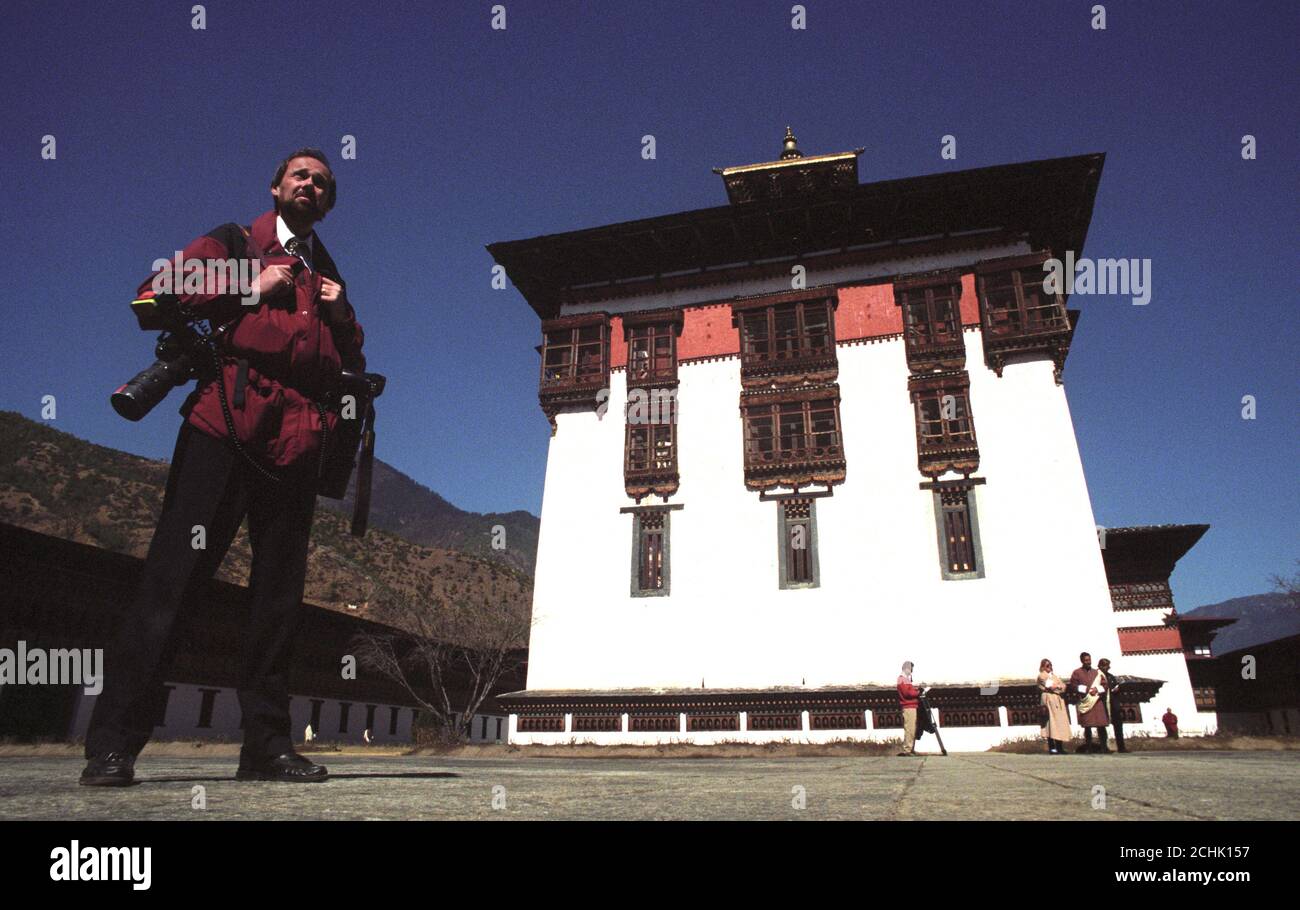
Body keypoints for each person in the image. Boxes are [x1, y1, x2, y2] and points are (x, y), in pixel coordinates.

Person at [80, 148, 365, 786]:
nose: (311, 185)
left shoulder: (328, 274)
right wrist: (247, 285)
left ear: (328, 202)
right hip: (225, 422)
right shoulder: (235, 242)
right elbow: (152, 296)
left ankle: (265, 747)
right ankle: (115, 742)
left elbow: (349, 354)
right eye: (301, 175)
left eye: (322, 182)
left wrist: (342, 313)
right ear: (276, 187)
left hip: (297, 441)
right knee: (174, 579)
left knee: (278, 600)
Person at [1068, 652, 1110, 754]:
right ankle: (1089, 747)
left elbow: (1105, 685)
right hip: (1086, 701)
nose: (1088, 662)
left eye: (1089, 660)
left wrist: (1097, 689)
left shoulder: (1097, 673)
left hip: (1097, 701)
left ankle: (1104, 747)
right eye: (1086, 660)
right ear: (1082, 661)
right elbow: (1074, 685)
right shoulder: (1077, 673)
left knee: (1101, 725)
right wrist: (1086, 690)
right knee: (1087, 726)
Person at [1037, 659, 1070, 754]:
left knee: (1059, 724)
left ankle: (1060, 747)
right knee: (1050, 724)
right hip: (1048, 701)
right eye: (1047, 666)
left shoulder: (1054, 676)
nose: (1050, 667)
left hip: (1057, 701)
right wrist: (1059, 687)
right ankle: (1052, 748)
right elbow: (1050, 686)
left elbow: (1064, 686)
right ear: (1043, 667)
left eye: (1050, 665)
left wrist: (1059, 687)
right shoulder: (1042, 676)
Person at [1097, 657, 1127, 753]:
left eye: (1108, 666)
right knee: (1102, 726)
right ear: (1100, 666)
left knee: (1118, 725)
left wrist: (1117, 689)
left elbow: (1115, 686)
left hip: (1113, 703)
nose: (1107, 668)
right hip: (1102, 703)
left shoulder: (1111, 676)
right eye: (1105, 666)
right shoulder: (1097, 676)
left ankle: (1121, 747)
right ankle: (1104, 747)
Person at [897, 661, 922, 756]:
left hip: (911, 706)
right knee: (909, 728)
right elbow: (907, 693)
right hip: (908, 706)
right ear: (907, 668)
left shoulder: (905, 679)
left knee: (912, 728)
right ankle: (907, 749)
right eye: (911, 669)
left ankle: (910, 748)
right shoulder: (902, 679)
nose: (912, 671)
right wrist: (918, 693)